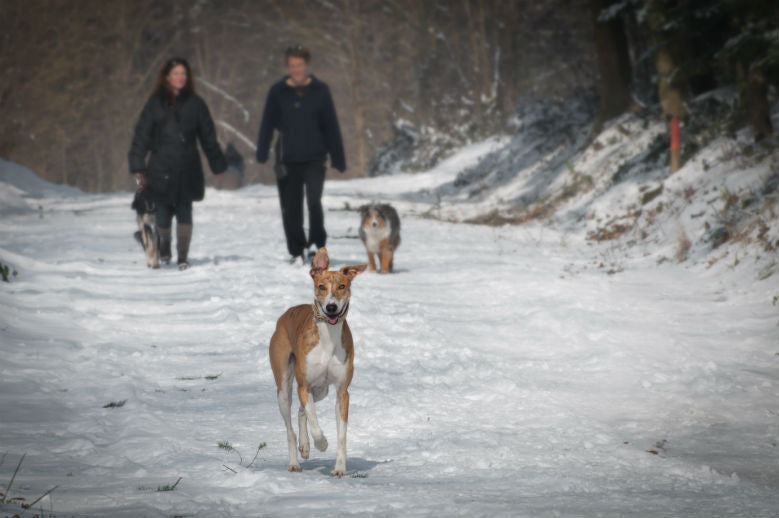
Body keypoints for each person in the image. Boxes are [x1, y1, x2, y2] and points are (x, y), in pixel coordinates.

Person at [128, 57, 226, 270]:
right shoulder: (154, 104)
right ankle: (164, 248)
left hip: (188, 166)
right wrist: (137, 164)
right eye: (176, 74)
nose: (180, 77)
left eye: (183, 74)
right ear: (166, 77)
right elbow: (142, 135)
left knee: (184, 210)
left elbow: (208, 136)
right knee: (162, 212)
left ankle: (183, 256)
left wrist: (217, 164)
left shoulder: (196, 104)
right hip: (160, 167)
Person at [256, 45, 346, 265]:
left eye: (300, 65)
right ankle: (297, 249)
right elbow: (267, 123)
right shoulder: (277, 91)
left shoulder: (320, 90)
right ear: (288, 66)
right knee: (291, 206)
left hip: (315, 156)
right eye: (292, 65)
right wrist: (262, 150)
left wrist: (338, 156)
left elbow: (331, 125)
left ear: (307, 65)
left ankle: (317, 244)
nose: (296, 69)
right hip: (287, 158)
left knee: (314, 201)